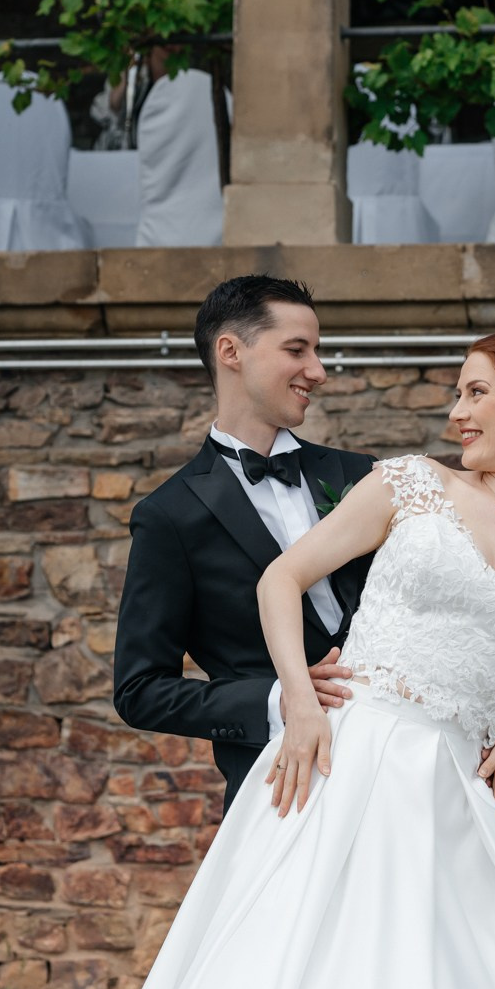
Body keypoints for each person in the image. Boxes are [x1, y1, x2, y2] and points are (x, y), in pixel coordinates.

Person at [130, 329, 495, 989]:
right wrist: (301, 705)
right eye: (457, 394)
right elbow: (281, 579)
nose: (456, 412)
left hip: (454, 787)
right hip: (339, 756)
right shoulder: (413, 483)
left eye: (476, 392)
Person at [113, 275, 375, 812]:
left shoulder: (364, 477)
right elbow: (139, 690)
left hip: (396, 768)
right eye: (296, 350)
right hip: (277, 791)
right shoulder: (169, 516)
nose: (318, 371)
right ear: (230, 351)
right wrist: (282, 698)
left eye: (317, 351)